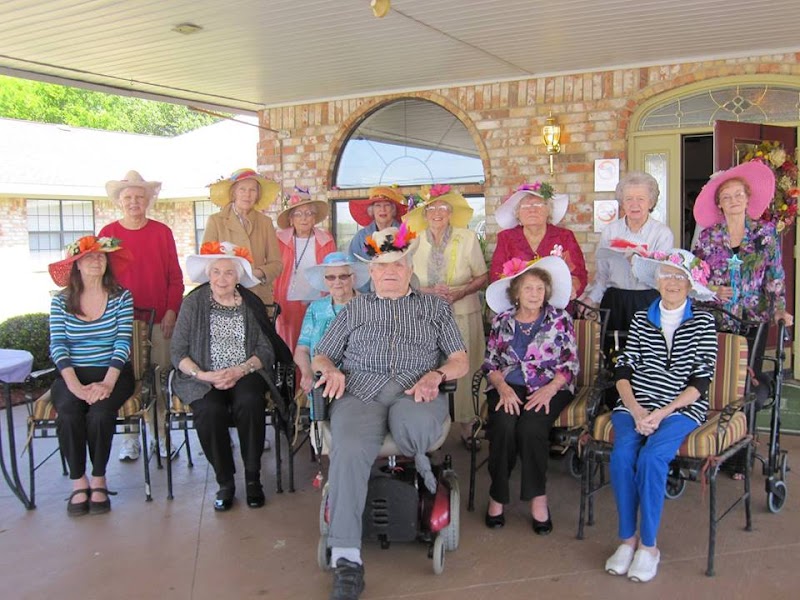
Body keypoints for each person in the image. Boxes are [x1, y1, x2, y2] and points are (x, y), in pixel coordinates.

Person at [312, 225, 468, 600]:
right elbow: (322, 354)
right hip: (359, 391)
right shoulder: (356, 308)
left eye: (396, 264)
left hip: (416, 390)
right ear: (371, 274)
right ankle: (347, 558)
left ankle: (426, 487)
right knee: (348, 448)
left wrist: (438, 374)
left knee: (414, 429)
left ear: (409, 268)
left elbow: (460, 360)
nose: (389, 272)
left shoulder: (434, 308)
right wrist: (329, 370)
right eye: (381, 267)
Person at [604, 249, 717, 583]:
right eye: (666, 274)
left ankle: (649, 546)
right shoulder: (641, 318)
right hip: (634, 405)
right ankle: (628, 540)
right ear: (656, 280)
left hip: (680, 409)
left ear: (690, 284)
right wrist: (638, 409)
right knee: (624, 454)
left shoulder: (703, 322)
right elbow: (622, 369)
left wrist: (663, 412)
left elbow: (701, 381)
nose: (672, 282)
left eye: (679, 276)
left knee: (653, 458)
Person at [170, 242, 281, 512]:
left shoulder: (250, 303)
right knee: (209, 411)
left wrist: (240, 370)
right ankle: (225, 482)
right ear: (209, 275)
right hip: (202, 376)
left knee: (250, 401)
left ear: (238, 276)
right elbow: (177, 352)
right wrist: (205, 375)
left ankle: (253, 479)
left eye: (229, 273)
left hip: (245, 372)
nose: (222, 278)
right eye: (216, 272)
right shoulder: (193, 303)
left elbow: (266, 349)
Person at [481, 256, 579, 535]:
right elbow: (490, 364)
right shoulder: (501, 321)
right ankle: (497, 495)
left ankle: (538, 497)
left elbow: (570, 363)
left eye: (539, 288)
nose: (535, 294)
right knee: (503, 426)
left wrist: (550, 389)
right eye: (528, 288)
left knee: (531, 427)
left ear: (546, 292)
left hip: (550, 386)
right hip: (508, 385)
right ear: (516, 292)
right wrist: (502, 387)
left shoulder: (560, 319)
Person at [692, 160, 794, 404]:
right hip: (715, 318)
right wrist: (712, 290)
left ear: (748, 198)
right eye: (726, 197)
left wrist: (779, 309)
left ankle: (744, 430)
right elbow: (694, 276)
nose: (734, 200)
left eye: (739, 194)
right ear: (719, 203)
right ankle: (715, 428)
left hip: (752, 318)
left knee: (746, 379)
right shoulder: (709, 236)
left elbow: (775, 276)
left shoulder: (765, 233)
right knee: (714, 379)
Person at [99, 170, 184, 462]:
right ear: (119, 201)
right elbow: (100, 278)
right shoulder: (108, 235)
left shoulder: (162, 232)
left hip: (159, 320)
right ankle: (130, 439)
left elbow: (175, 277)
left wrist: (172, 310)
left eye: (139, 196)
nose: (134, 202)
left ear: (148, 200)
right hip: (120, 323)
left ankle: (160, 436)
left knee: (158, 379)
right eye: (128, 197)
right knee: (126, 378)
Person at [47, 236, 135, 516]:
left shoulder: (122, 296)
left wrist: (108, 382)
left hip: (114, 372)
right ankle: (78, 482)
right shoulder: (61, 301)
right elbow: (58, 345)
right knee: (69, 414)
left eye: (101, 256)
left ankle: (98, 479)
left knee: (100, 413)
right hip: (72, 375)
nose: (96, 260)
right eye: (88, 257)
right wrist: (75, 386)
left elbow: (123, 342)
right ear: (76, 265)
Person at [404, 184, 488, 446]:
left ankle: (467, 423)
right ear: (425, 214)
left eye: (443, 208)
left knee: (466, 364)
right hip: (424, 313)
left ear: (450, 213)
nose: (437, 213)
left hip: (462, 310)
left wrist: (459, 293)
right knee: (426, 366)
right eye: (432, 209)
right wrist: (427, 290)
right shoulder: (413, 240)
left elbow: (482, 276)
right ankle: (428, 425)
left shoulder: (467, 238)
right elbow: (403, 278)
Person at [582, 172, 674, 333]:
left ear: (650, 203)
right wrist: (590, 299)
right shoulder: (610, 231)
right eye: (629, 199)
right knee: (613, 353)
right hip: (615, 301)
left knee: (648, 353)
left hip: (648, 300)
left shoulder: (662, 233)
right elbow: (602, 276)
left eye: (641, 199)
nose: (634, 204)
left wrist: (638, 261)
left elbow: (663, 277)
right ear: (622, 203)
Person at [490, 181, 587, 299]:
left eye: (538, 205)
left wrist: (573, 288)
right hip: (518, 306)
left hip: (556, 303)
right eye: (525, 206)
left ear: (548, 211)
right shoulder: (506, 238)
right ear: (517, 214)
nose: (532, 210)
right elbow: (496, 275)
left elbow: (578, 273)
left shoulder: (564, 236)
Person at [204, 168, 283, 305]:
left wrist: (256, 273)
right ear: (233, 193)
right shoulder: (215, 221)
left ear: (258, 194)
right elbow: (207, 261)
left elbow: (276, 264)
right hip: (224, 297)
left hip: (258, 297)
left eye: (253, 190)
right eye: (242, 189)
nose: (248, 194)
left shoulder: (265, 222)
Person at [294, 252, 369, 395]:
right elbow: (302, 349)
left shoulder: (367, 305)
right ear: (325, 280)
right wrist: (307, 371)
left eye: (343, 276)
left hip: (358, 381)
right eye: (331, 277)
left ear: (353, 278)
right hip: (320, 380)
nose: (337, 281)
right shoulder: (316, 308)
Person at [273, 188, 336, 353]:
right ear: (291, 219)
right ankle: (295, 380)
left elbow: (332, 269)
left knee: (318, 345)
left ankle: (315, 378)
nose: (304, 218)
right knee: (291, 347)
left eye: (308, 213)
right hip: (288, 301)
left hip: (318, 300)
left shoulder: (326, 239)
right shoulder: (279, 239)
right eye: (298, 214)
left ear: (314, 218)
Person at [347, 186, 408, 262]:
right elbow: (352, 265)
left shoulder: (406, 234)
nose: (382, 209)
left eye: (387, 205)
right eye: (378, 205)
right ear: (372, 210)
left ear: (393, 209)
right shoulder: (360, 237)